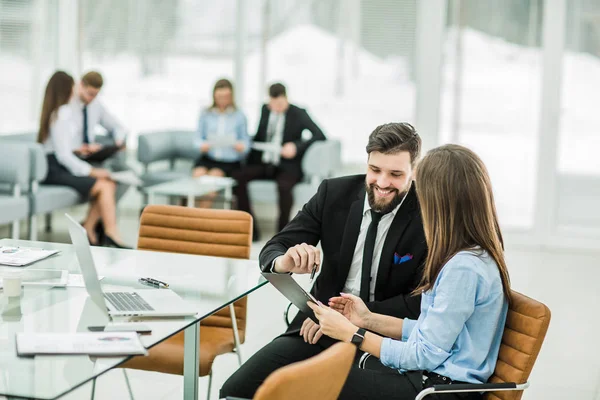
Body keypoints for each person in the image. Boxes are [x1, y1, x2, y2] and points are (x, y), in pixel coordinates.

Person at [221, 122, 427, 399]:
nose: (381, 183)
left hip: (383, 340)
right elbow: (273, 249)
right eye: (374, 170)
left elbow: (420, 302)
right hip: (316, 329)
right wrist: (285, 262)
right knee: (237, 390)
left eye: (395, 174)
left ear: (414, 171)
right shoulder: (334, 193)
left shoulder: (429, 215)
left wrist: (350, 319)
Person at [306, 144, 511, 400]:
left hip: (438, 390)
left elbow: (423, 353)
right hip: (431, 378)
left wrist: (352, 334)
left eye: (421, 194)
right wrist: (367, 319)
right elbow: (432, 333)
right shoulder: (468, 255)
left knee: (317, 383)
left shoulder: (463, 268)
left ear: (439, 203)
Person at [37, 71, 129, 248]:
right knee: (104, 184)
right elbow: (63, 155)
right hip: (54, 169)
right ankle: (111, 234)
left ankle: (95, 229)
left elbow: (63, 147)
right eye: (72, 87)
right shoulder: (62, 113)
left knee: (108, 184)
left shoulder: (58, 112)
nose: (74, 90)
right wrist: (92, 171)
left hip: (58, 164)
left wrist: (79, 150)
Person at [232, 83, 326, 239]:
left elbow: (319, 135)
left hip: (287, 166)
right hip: (265, 163)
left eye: (280, 104)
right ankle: (251, 230)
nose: (276, 108)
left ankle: (282, 235)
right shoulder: (265, 110)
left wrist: (296, 146)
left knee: (284, 186)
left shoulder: (298, 113)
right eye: (273, 105)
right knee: (237, 178)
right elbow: (259, 136)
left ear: (286, 98)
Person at [192, 79, 249, 207]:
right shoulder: (206, 114)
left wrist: (241, 146)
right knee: (197, 176)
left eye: (226, 97)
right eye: (219, 97)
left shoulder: (239, 116)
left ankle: (200, 221)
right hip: (208, 157)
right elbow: (197, 138)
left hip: (227, 162)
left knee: (212, 181)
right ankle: (190, 217)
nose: (222, 100)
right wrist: (202, 145)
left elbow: (246, 142)